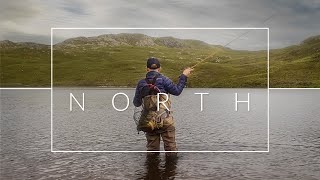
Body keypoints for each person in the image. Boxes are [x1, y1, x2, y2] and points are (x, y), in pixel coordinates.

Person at [133, 57, 193, 152]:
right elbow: (177, 91)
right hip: (165, 119)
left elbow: (136, 103)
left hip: (149, 121)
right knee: (170, 148)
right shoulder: (164, 80)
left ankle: (151, 166)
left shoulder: (141, 83)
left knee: (152, 150)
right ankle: (172, 166)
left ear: (147, 69)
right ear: (159, 68)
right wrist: (184, 76)